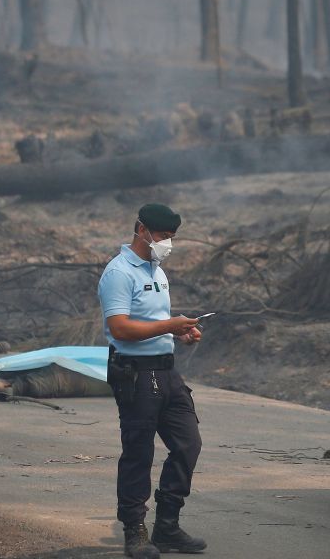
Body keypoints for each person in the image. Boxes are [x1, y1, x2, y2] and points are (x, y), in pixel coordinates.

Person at [97, 204, 207, 558]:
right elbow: (120, 328)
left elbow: (152, 322)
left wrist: (179, 333)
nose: (167, 244)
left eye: (172, 237)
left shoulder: (157, 272)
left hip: (167, 371)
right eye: (162, 236)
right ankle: (135, 531)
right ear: (141, 230)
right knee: (139, 452)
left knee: (188, 444)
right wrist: (169, 325)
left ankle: (167, 526)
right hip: (135, 374)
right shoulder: (119, 272)